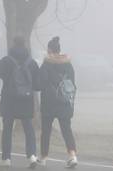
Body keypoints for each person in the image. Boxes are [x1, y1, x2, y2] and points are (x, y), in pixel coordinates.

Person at [0, 36, 39, 169]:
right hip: (26, 100)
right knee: (28, 128)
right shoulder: (31, 62)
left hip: (9, 100)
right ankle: (32, 155)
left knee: (7, 129)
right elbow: (38, 84)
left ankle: (6, 158)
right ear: (25, 45)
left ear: (13, 44)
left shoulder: (6, 61)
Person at [38, 37, 78, 168]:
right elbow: (72, 84)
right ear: (59, 50)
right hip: (65, 102)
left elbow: (40, 83)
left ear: (49, 50)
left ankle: (43, 158)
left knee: (46, 131)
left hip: (49, 103)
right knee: (66, 130)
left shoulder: (47, 64)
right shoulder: (68, 64)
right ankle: (72, 156)